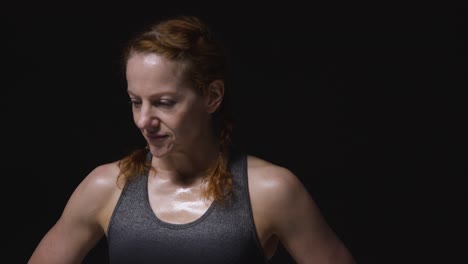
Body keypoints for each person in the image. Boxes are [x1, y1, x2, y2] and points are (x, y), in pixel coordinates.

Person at [28, 15, 356, 264]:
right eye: (135, 101)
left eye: (164, 103)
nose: (144, 121)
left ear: (212, 96)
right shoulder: (107, 186)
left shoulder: (271, 191)